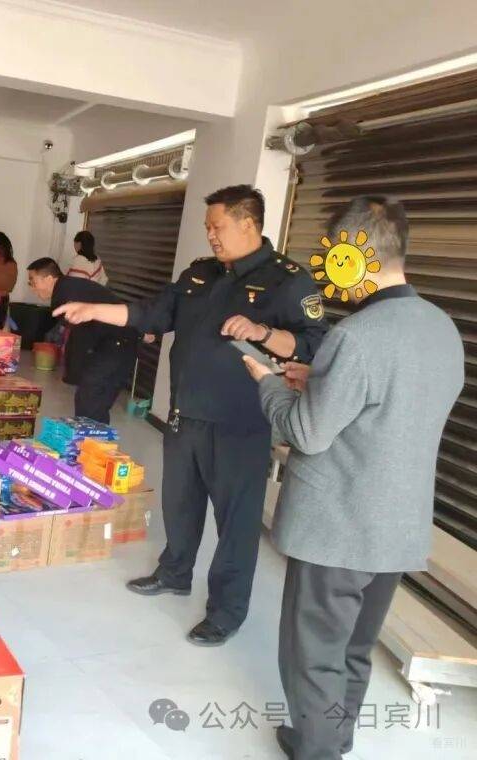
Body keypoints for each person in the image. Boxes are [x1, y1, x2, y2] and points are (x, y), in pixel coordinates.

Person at [55, 185, 328, 646]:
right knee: (180, 504)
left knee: (236, 525)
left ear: (248, 224)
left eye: (217, 227)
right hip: (186, 413)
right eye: (207, 227)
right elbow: (152, 313)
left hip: (241, 424)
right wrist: (94, 309)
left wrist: (263, 332)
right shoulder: (201, 273)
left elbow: (315, 345)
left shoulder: (289, 281)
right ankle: (175, 572)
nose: (211, 236)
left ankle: (226, 612)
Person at [243, 197, 463, 760]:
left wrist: (268, 382)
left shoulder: (358, 335)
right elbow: (391, 401)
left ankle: (318, 749)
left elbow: (307, 432)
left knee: (314, 653)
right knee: (354, 648)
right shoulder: (441, 328)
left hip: (338, 527)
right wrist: (319, 376)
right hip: (396, 525)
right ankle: (331, 737)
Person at [27, 257, 139, 423]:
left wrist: (73, 372)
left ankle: (91, 437)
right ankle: (91, 436)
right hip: (114, 342)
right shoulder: (66, 288)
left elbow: (82, 334)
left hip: (117, 343)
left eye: (33, 281)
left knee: (91, 396)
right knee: (91, 398)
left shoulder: (66, 293)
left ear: (49, 279)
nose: (32, 287)